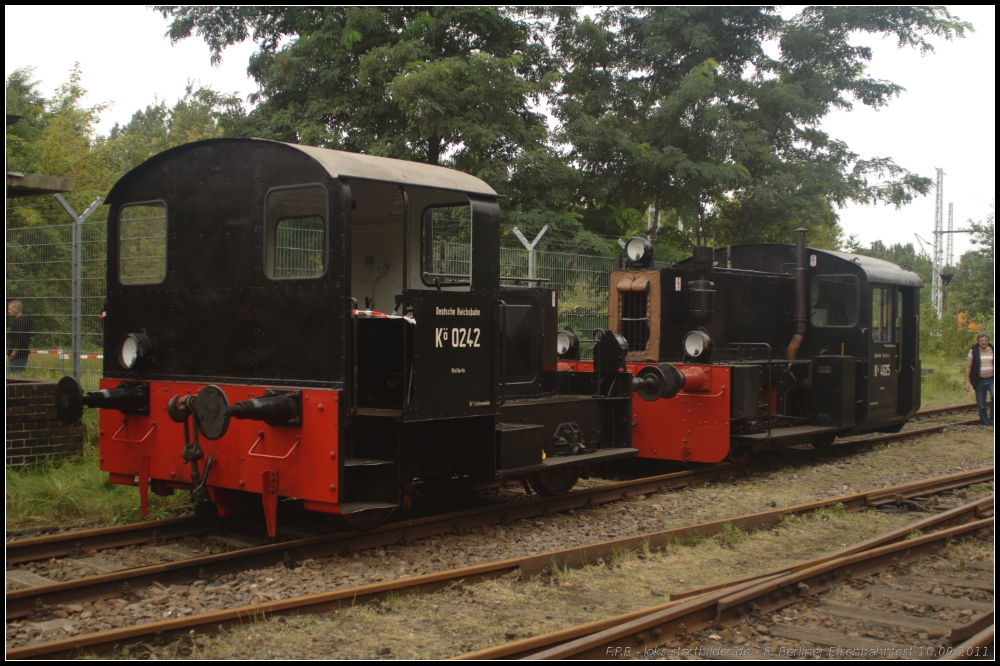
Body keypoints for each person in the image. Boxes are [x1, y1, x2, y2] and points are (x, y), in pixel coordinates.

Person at [965, 332, 994, 426]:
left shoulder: (992, 349)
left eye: (985, 340)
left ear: (988, 341)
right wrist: (967, 382)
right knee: (981, 404)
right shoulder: (973, 351)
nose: (984, 342)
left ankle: (993, 419)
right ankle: (985, 422)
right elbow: (968, 367)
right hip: (979, 381)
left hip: (992, 379)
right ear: (978, 341)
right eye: (982, 340)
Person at [7, 300, 33, 375]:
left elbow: (21, 339)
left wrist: (13, 353)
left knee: (15, 378)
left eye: (10, 309)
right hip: (19, 354)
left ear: (16, 310)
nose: (8, 311)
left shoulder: (21, 322)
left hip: (18, 356)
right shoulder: (20, 321)